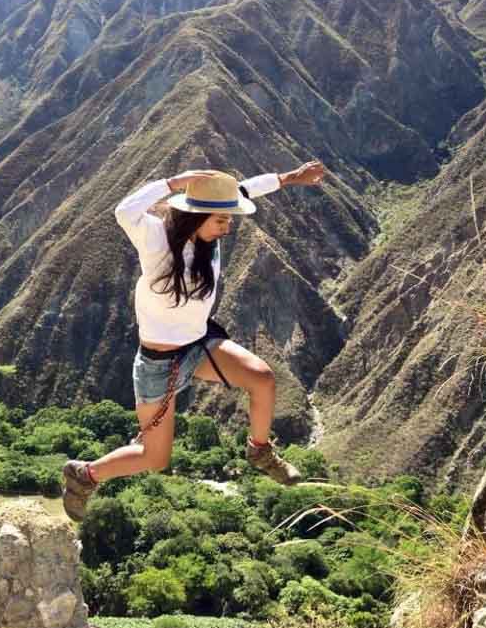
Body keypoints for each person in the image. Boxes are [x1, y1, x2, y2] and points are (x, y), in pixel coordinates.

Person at [62, 161, 326, 521]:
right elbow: (124, 210)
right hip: (157, 364)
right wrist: (173, 182)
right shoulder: (157, 240)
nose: (228, 227)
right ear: (197, 216)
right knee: (155, 459)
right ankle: (85, 475)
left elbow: (247, 187)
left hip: (199, 346)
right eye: (221, 221)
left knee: (262, 378)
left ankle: (260, 452)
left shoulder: (208, 242)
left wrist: (291, 178)